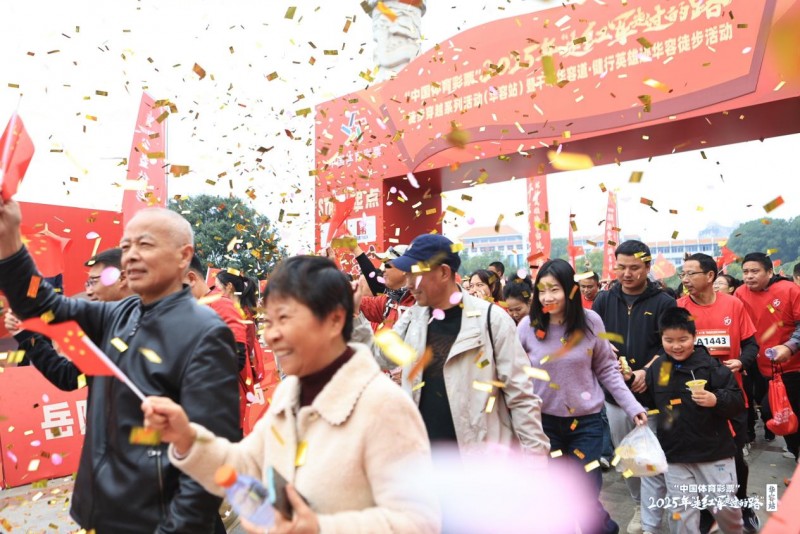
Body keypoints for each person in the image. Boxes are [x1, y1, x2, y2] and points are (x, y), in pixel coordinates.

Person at [142, 255, 441, 533]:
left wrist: (321, 527)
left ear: (335, 320)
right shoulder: (289, 393)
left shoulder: (384, 405)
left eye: (285, 319)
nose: (271, 335)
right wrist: (187, 439)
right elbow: (245, 467)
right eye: (269, 322)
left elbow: (418, 521)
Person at [0, 200, 240, 533]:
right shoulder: (116, 316)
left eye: (145, 245)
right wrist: (10, 241)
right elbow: (40, 304)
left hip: (159, 520)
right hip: (105, 513)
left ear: (183, 256)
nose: (131, 256)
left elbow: (210, 454)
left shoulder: (206, 332)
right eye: (126, 247)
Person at [352, 233, 550, 457]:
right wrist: (355, 314)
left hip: (480, 462)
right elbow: (379, 356)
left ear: (444, 272)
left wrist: (535, 458)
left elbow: (520, 395)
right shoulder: (413, 319)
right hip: (424, 460)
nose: (408, 283)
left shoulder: (492, 320)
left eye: (415, 274)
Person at [518, 259, 647, 534]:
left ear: (570, 290)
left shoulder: (590, 322)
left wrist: (632, 406)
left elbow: (607, 369)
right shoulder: (527, 326)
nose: (547, 297)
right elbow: (513, 373)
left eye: (554, 289)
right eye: (542, 290)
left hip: (585, 425)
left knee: (585, 495)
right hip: (543, 425)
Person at [592, 240, 676, 534]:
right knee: (626, 454)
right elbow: (594, 337)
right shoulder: (604, 300)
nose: (627, 274)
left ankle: (654, 513)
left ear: (648, 267)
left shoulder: (664, 302)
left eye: (634, 268)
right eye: (621, 267)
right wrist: (604, 349)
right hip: (615, 395)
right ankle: (640, 505)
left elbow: (671, 347)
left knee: (651, 456)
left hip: (652, 395)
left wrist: (646, 372)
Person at [641, 307, 745, 534]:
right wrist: (630, 382)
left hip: (712, 452)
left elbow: (737, 400)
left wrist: (715, 399)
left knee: (724, 505)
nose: (676, 346)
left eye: (683, 340)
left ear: (694, 337)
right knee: (681, 511)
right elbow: (651, 400)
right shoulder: (661, 367)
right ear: (661, 339)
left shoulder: (709, 366)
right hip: (675, 453)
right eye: (669, 340)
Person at [677, 253, 761, 533]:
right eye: (683, 274)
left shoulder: (733, 304)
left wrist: (742, 361)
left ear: (710, 276)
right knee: (698, 460)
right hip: (694, 400)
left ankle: (743, 506)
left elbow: (751, 344)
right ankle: (706, 513)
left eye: (691, 274)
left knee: (735, 456)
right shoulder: (679, 308)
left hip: (731, 396)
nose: (686, 280)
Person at [4, 247, 133, 386]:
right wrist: (25, 335)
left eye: (94, 281)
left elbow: (56, 298)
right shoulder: (105, 329)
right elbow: (68, 377)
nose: (89, 292)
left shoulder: (147, 322)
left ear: (122, 278)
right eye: (88, 283)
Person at [735, 252, 800, 460]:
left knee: (775, 410)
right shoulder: (740, 293)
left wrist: (789, 347)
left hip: (793, 365)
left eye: (755, 271)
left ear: (770, 272)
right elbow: (739, 330)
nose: (749, 276)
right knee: (779, 412)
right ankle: (795, 451)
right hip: (762, 367)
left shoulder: (790, 290)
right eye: (745, 271)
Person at [359, 253, 415, 331]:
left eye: (388, 265)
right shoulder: (389, 301)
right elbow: (359, 302)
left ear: (404, 269)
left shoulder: (420, 303)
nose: (383, 270)